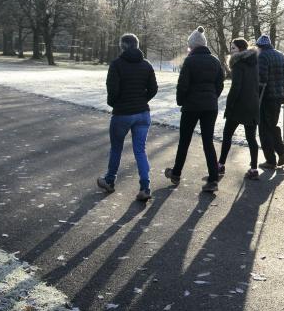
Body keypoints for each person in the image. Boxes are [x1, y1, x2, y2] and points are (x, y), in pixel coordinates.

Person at [98, 33, 158, 202]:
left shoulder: (117, 64)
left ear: (122, 46)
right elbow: (153, 89)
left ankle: (109, 180)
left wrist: (116, 104)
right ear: (137, 45)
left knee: (116, 148)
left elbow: (112, 91)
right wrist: (141, 100)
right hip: (142, 113)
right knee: (140, 150)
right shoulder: (147, 65)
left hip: (122, 114)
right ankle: (145, 187)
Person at [165, 26, 224, 193]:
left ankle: (176, 173)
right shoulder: (215, 61)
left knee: (184, 140)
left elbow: (182, 85)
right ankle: (213, 179)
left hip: (191, 106)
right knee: (208, 141)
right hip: (210, 106)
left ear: (192, 45)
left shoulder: (189, 61)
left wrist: (181, 101)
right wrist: (212, 97)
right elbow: (219, 85)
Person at [219, 38, 262, 180]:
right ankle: (254, 169)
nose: (231, 50)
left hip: (239, 105)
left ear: (240, 49)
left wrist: (229, 105)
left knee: (227, 135)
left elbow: (236, 87)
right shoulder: (254, 62)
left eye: (233, 48)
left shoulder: (237, 63)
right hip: (253, 104)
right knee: (251, 138)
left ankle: (220, 165)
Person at [255, 34, 284, 169]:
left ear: (259, 46)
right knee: (272, 125)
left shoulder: (262, 56)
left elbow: (261, 79)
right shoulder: (281, 55)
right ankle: (282, 152)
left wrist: (256, 96)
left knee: (264, 129)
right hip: (278, 96)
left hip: (266, 98)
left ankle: (271, 160)